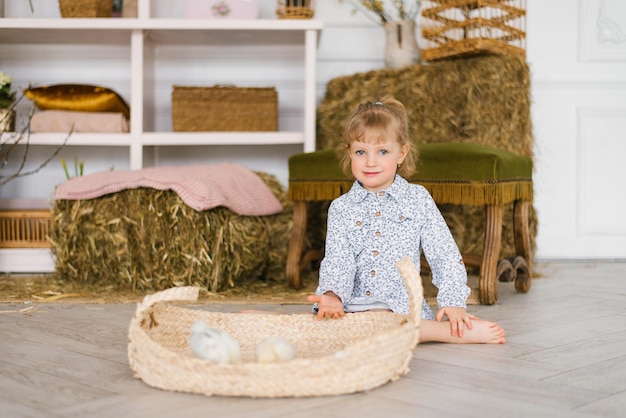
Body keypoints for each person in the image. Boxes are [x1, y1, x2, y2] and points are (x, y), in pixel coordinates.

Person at [306, 97, 506, 344]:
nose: (370, 162)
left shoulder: (417, 199)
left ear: (401, 153)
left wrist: (453, 302)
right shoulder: (341, 208)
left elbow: (443, 252)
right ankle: (270, 322)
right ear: (349, 153)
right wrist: (332, 295)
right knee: (328, 329)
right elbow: (338, 258)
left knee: (385, 326)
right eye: (361, 152)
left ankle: (445, 332)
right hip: (354, 306)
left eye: (382, 152)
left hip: (399, 306)